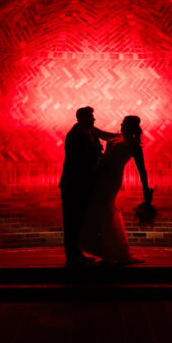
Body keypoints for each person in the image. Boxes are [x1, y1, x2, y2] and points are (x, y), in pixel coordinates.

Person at [80, 115, 153, 265]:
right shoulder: (117, 137)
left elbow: (142, 171)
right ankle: (108, 250)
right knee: (100, 210)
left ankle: (115, 251)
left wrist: (146, 192)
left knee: (105, 210)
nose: (121, 124)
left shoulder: (134, 146)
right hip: (102, 176)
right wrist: (87, 125)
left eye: (125, 123)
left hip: (111, 179)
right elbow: (102, 134)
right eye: (122, 122)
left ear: (132, 127)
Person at [59, 107, 119, 267]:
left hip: (83, 185)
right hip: (73, 185)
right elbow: (79, 160)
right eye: (91, 117)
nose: (94, 120)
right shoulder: (74, 135)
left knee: (79, 221)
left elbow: (106, 136)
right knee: (72, 221)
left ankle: (77, 253)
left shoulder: (90, 132)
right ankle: (72, 256)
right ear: (82, 119)